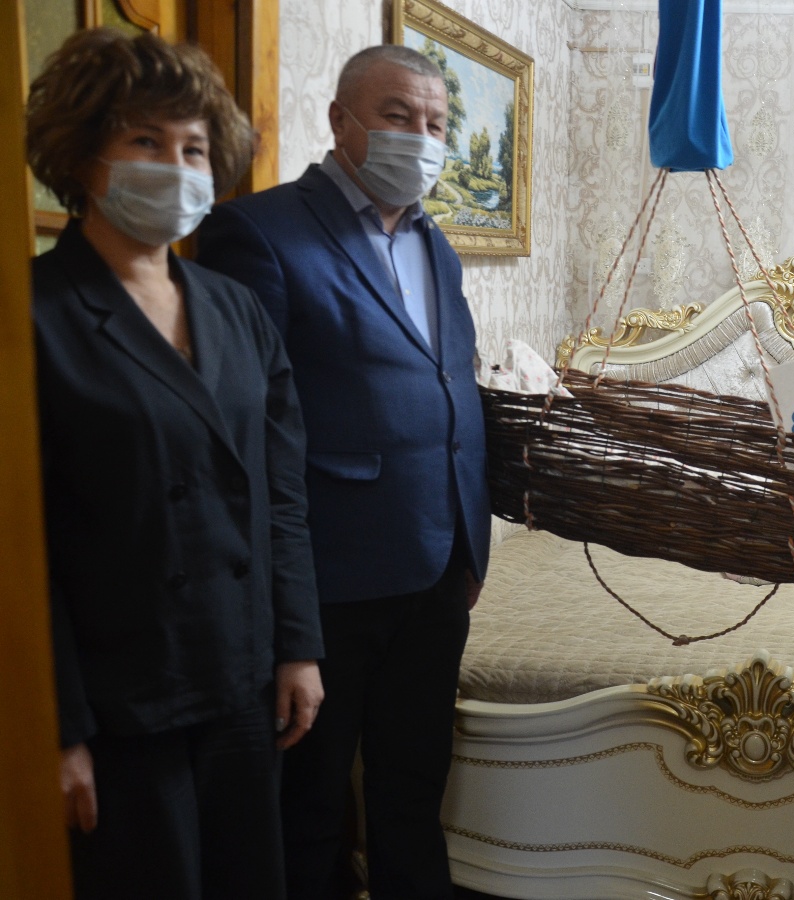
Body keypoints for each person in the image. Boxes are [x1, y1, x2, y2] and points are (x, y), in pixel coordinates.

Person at [27, 28, 324, 900]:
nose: (177, 166)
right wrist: (56, 728)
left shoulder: (236, 309)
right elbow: (22, 550)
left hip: (243, 680)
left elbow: (281, 495)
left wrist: (298, 648)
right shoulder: (32, 316)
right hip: (121, 701)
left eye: (193, 147)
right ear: (83, 157)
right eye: (145, 141)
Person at [195, 44, 490, 900]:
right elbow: (246, 427)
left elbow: (451, 387)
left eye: (435, 123)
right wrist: (287, 618)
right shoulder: (259, 232)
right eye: (398, 116)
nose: (420, 138)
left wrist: (472, 538)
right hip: (328, 577)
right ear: (341, 120)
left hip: (438, 569)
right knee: (312, 807)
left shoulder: (436, 243)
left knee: (412, 792)